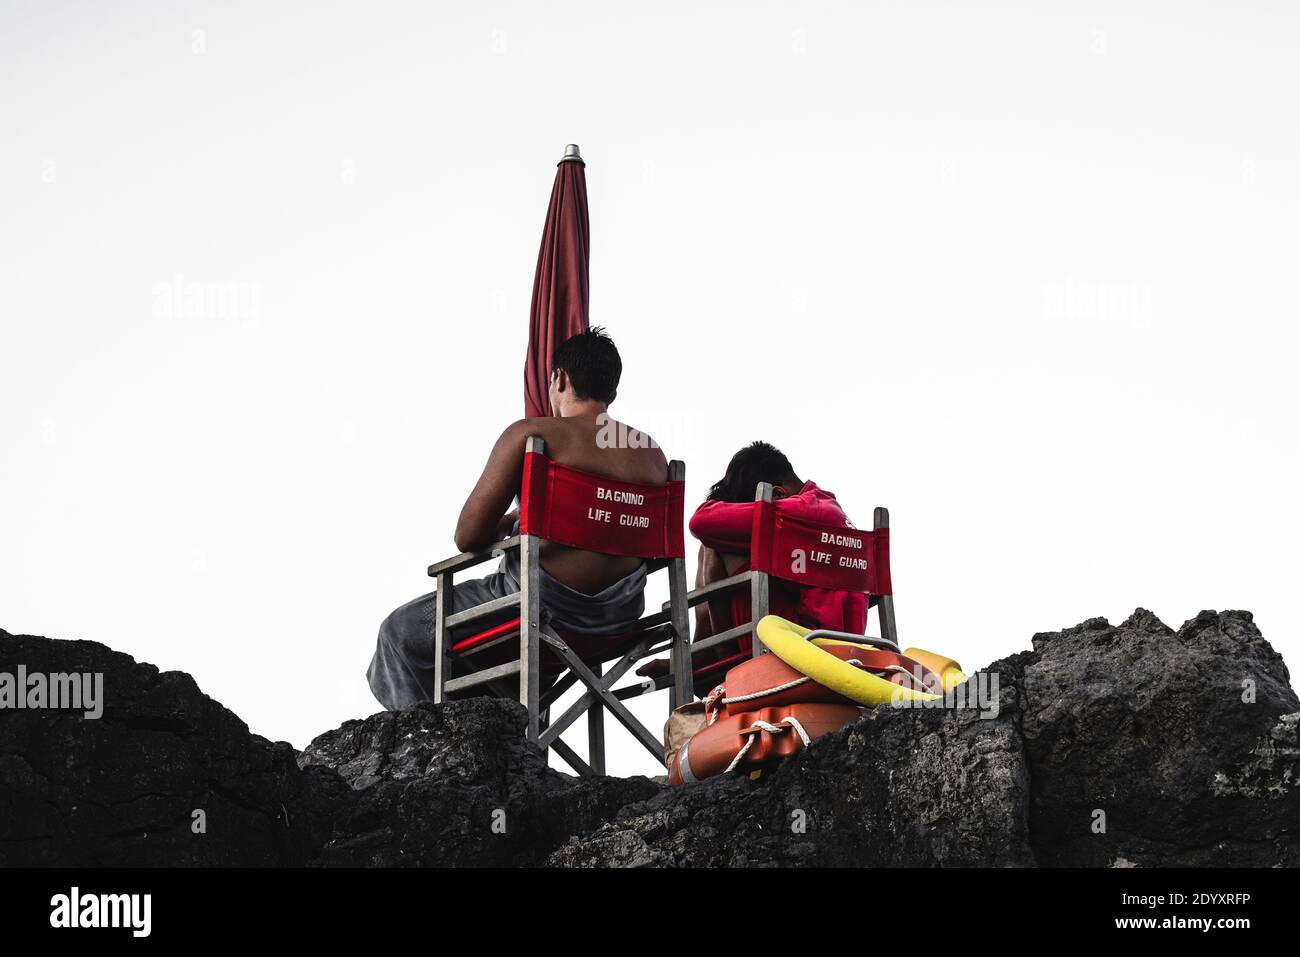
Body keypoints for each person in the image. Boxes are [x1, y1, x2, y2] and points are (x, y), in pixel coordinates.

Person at [367, 328, 668, 709]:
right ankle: (506, 735)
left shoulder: (532, 435)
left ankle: (428, 746)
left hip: (539, 608)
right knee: (506, 663)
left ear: (559, 378)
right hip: (618, 618)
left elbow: (467, 536)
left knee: (399, 631)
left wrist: (509, 522)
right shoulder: (651, 454)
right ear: (612, 391)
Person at [638, 441, 866, 684]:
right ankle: (706, 652)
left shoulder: (799, 510)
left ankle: (722, 659)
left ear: (778, 494)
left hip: (800, 646)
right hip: (840, 644)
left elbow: (701, 521)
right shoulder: (826, 509)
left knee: (714, 543)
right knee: (729, 540)